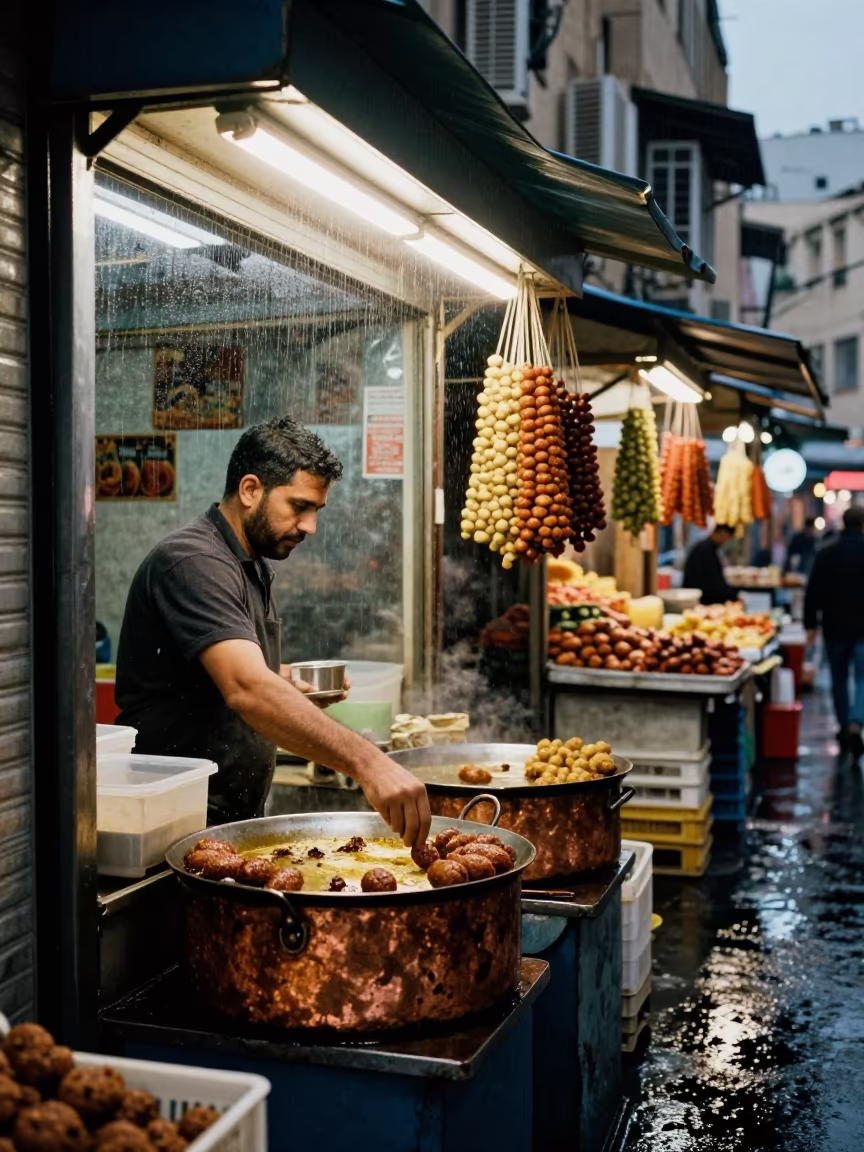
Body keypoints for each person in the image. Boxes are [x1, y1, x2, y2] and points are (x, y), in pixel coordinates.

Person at [115, 416, 431, 846]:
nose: (309, 527)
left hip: (225, 821)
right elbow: (246, 687)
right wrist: (369, 763)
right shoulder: (193, 561)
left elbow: (221, 676)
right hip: (175, 827)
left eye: (316, 511)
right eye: (299, 506)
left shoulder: (250, 565)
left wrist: (282, 681)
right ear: (250, 490)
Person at [805, 504, 864, 758]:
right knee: (863, 678)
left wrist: (810, 624)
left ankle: (842, 724)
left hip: (834, 627)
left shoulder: (826, 553)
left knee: (838, 678)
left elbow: (813, 590)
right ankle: (856, 721)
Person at [681, 524, 736, 606]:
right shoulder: (705, 550)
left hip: (701, 598)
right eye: (728, 538)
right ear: (722, 533)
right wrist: (732, 596)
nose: (727, 541)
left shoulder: (707, 548)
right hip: (700, 601)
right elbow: (712, 581)